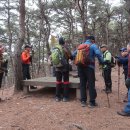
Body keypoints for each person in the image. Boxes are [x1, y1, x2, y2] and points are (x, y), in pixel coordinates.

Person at [77, 36, 104, 107]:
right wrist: (102, 62)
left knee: (82, 84)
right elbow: (98, 54)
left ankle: (83, 101)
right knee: (91, 84)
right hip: (89, 67)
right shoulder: (93, 46)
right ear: (92, 40)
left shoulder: (80, 46)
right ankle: (92, 102)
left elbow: (73, 54)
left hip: (80, 67)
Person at [53, 37, 73, 102]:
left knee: (58, 82)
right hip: (65, 67)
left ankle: (57, 97)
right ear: (64, 42)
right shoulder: (65, 48)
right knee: (66, 82)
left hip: (57, 67)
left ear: (59, 42)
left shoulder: (55, 48)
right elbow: (71, 56)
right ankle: (65, 97)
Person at [117, 43, 130, 116]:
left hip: (128, 74)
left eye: (123, 51)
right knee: (127, 85)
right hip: (126, 73)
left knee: (128, 86)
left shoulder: (128, 56)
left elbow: (123, 61)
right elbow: (120, 61)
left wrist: (119, 58)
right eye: (121, 51)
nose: (121, 53)